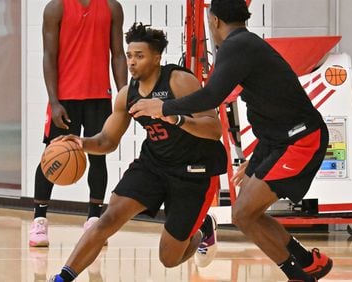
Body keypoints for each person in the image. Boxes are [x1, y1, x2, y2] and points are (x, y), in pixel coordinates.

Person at [129, 0, 333, 281]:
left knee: (243, 214)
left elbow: (210, 96)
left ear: (213, 21)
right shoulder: (243, 45)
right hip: (277, 141)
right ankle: (308, 261)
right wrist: (258, 157)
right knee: (251, 211)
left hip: (300, 139)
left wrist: (162, 108)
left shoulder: (238, 46)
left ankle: (298, 275)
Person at [47, 23, 227, 282]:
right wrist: (82, 143)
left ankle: (201, 229)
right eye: (129, 55)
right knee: (108, 218)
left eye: (139, 56)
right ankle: (63, 277)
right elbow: (108, 140)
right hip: (153, 165)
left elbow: (214, 129)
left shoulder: (180, 81)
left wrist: (172, 116)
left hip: (194, 171)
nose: (131, 62)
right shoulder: (126, 95)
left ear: (156, 58)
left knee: (169, 258)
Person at [29, 0, 127, 248]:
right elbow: (48, 55)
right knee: (53, 154)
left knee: (98, 157)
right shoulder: (56, 8)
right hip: (65, 99)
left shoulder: (112, 7)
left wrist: (125, 93)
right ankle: (39, 219)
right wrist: (54, 101)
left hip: (99, 97)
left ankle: (94, 218)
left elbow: (117, 54)